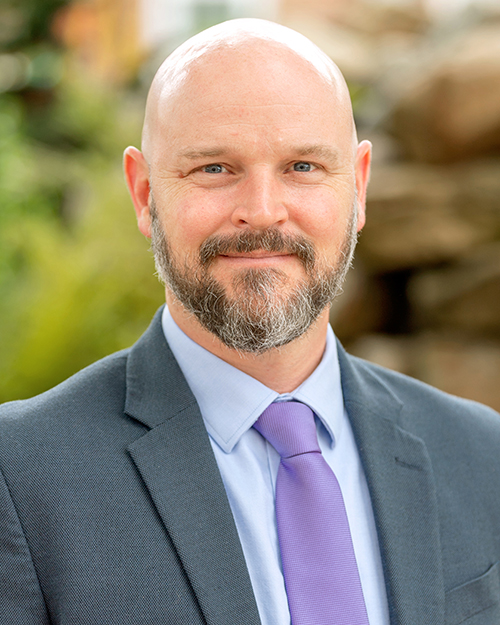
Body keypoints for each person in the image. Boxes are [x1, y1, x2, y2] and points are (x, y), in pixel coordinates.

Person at [1, 18, 499, 625]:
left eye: (303, 167)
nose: (262, 212)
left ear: (359, 188)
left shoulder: (482, 456)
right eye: (215, 168)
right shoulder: (20, 477)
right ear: (144, 193)